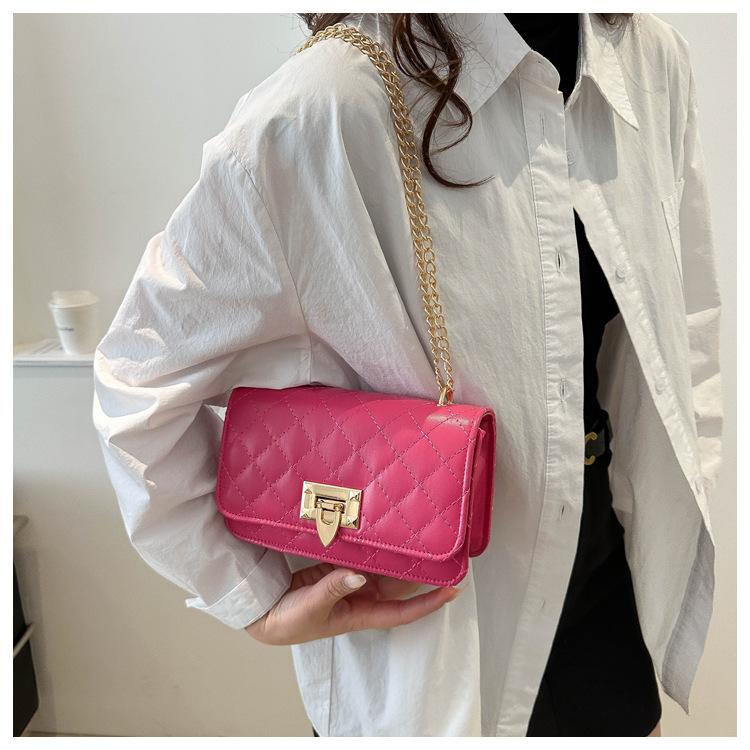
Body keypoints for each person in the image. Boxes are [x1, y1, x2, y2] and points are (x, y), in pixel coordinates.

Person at [92, 13, 724, 737]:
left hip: (610, 600)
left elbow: (686, 319)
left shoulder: (651, 62)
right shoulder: (328, 105)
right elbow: (140, 378)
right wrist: (250, 596)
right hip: (432, 636)